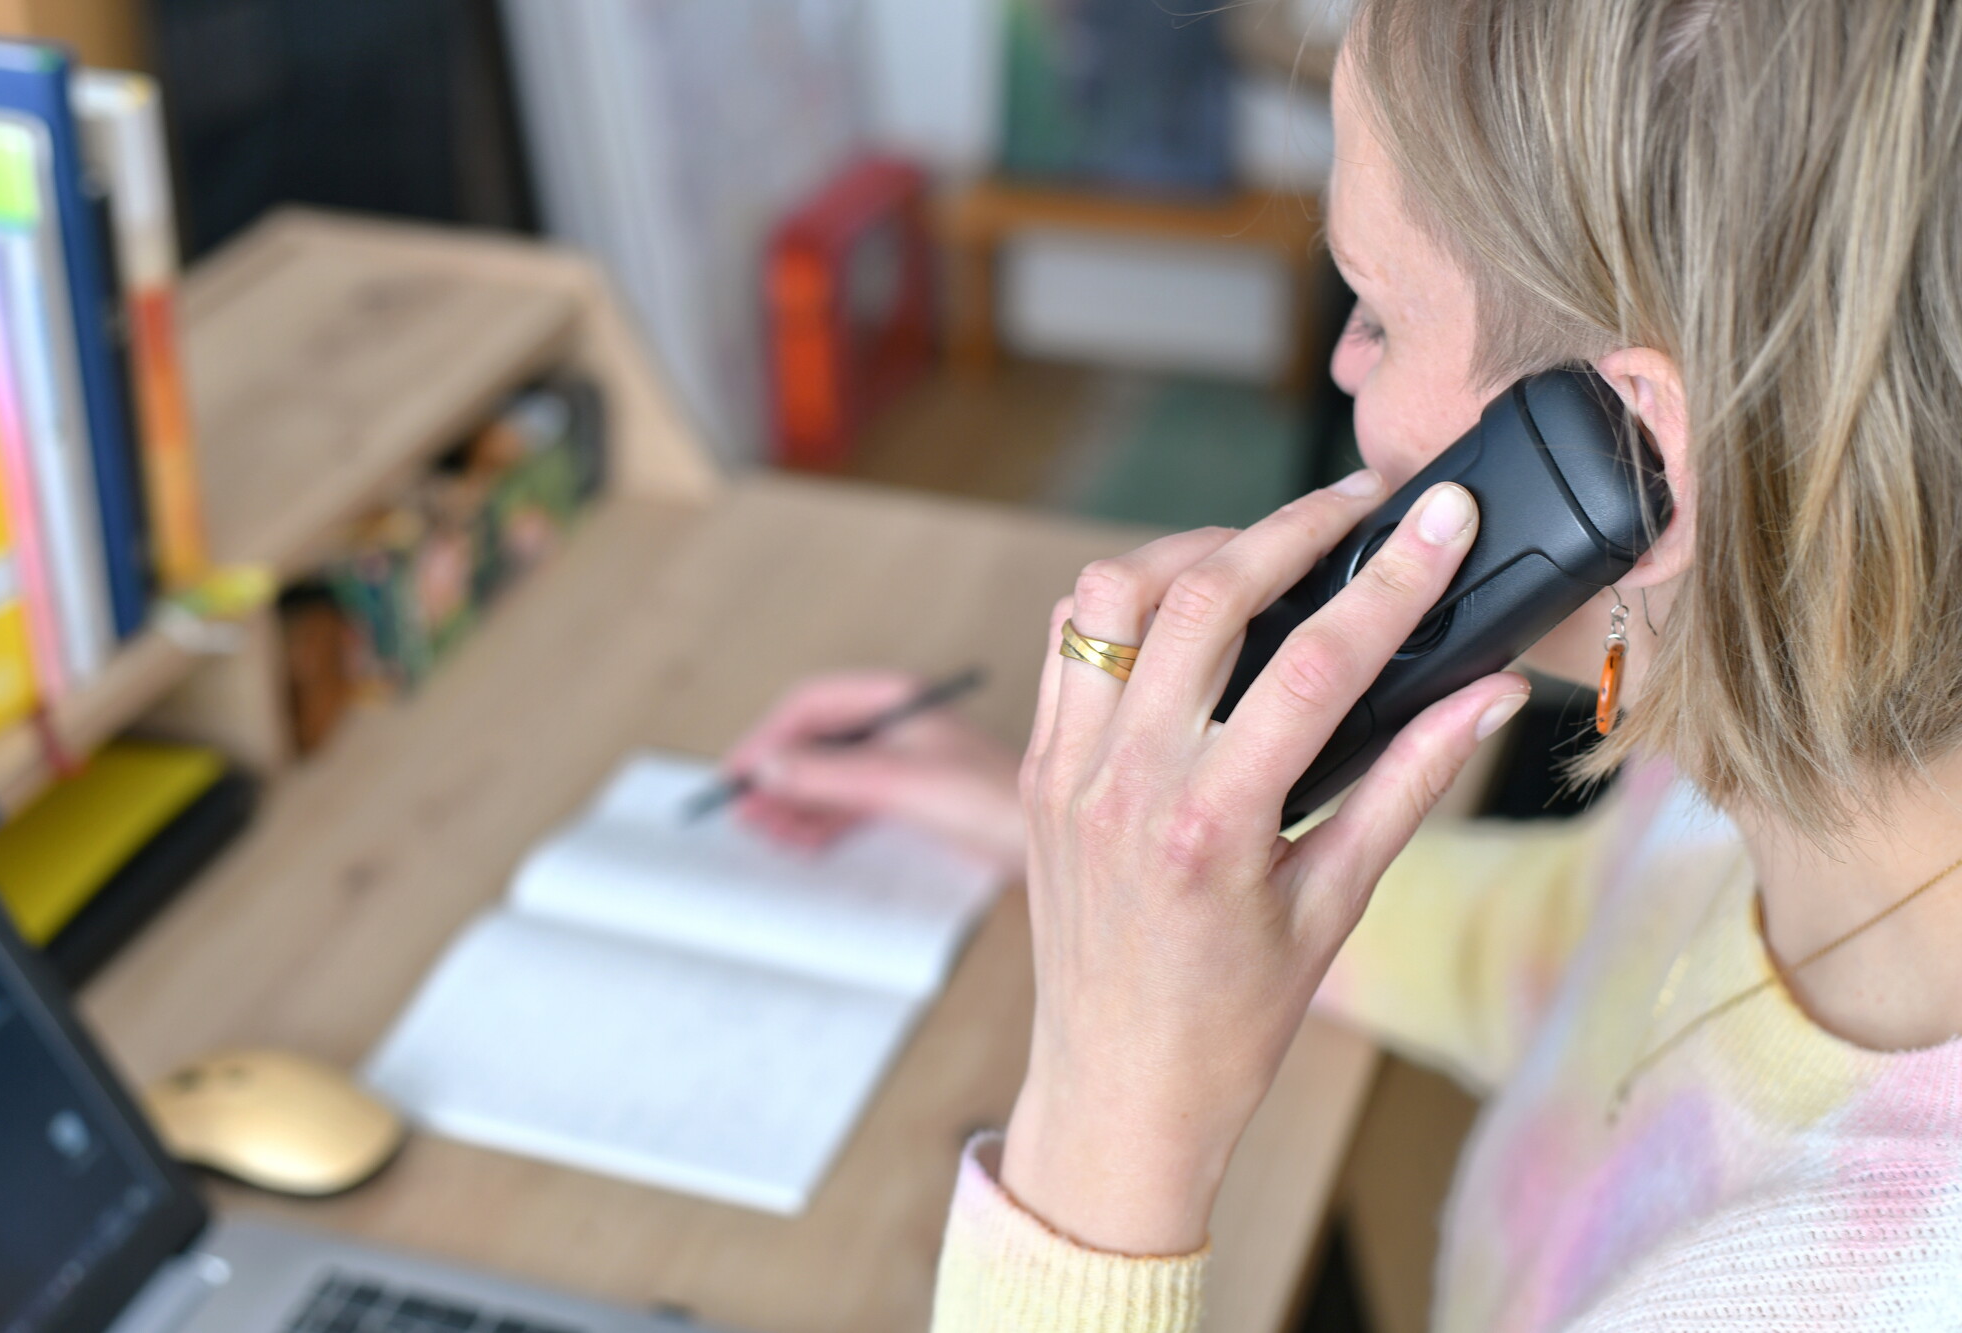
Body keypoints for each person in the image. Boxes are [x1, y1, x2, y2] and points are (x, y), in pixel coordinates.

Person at [726, 1, 1962, 1326]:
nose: (1340, 360)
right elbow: (1574, 963)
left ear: (1630, 460)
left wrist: (1107, 1120)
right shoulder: (1773, 787)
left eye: (1375, 311)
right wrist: (1118, 856)